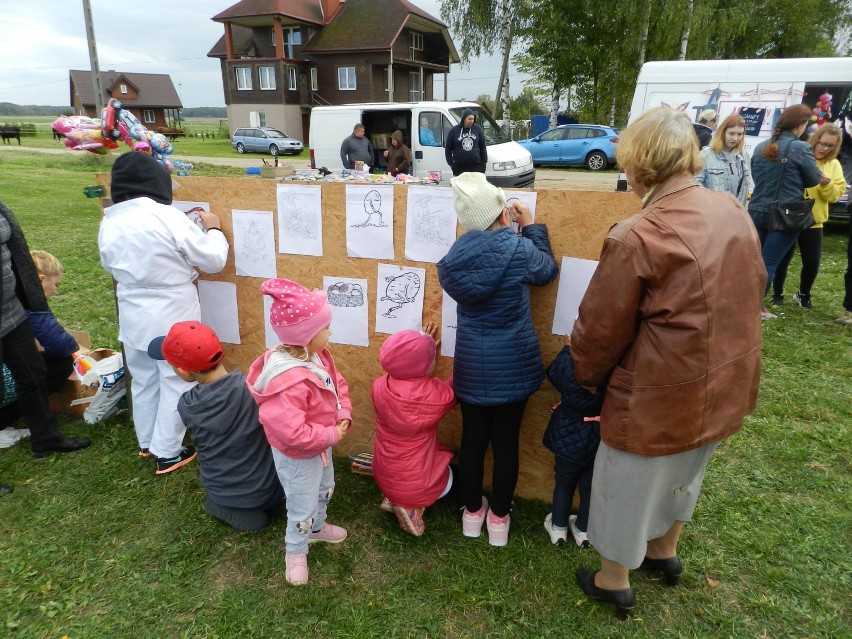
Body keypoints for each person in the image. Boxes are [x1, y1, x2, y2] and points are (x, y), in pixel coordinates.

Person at [570, 107, 765, 619]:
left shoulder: (638, 233)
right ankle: (664, 552)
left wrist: (586, 379)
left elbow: (599, 329)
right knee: (688, 468)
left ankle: (613, 579)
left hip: (660, 388)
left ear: (639, 167)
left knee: (625, 483)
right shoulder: (731, 209)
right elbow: (755, 284)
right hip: (723, 376)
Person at [437, 172, 559, 547]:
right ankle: (499, 521)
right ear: (504, 215)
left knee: (473, 442)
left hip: (473, 366)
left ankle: (471, 514)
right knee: (506, 445)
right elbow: (547, 270)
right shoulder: (518, 248)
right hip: (514, 365)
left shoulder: (455, 258)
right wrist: (533, 227)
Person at [98, 152, 228, 474]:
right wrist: (213, 230)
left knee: (142, 378)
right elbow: (213, 260)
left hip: (132, 311)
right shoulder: (165, 215)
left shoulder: (109, 220)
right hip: (170, 309)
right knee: (176, 378)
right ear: (158, 184)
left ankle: (147, 441)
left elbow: (108, 265)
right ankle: (168, 451)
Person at [247, 278, 351, 586]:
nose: (330, 333)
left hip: (320, 444)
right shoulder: (288, 381)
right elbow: (291, 433)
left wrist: (342, 413)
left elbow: (337, 384)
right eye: (325, 328)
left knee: (325, 487)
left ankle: (317, 529)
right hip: (299, 455)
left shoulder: (318, 356)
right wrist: (331, 436)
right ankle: (295, 551)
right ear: (305, 336)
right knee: (301, 503)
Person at [148, 321, 282, 531]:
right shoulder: (253, 391)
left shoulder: (188, 404)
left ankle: (218, 507)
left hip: (226, 494)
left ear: (183, 371)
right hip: (272, 489)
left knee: (254, 521)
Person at [0, 200, 90, 457]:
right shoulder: (35, 308)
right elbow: (60, 343)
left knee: (33, 372)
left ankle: (46, 439)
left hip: (10, 312)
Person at [371, 324, 456, 537]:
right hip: (417, 484)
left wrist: (420, 350)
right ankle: (411, 509)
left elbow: (410, 379)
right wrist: (459, 367)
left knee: (403, 472)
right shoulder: (434, 397)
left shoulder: (379, 386)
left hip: (384, 474)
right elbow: (452, 394)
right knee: (451, 478)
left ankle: (393, 499)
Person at [748, 103, 822, 321]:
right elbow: (812, 180)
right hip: (785, 215)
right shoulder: (800, 148)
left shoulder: (761, 146)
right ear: (800, 125)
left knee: (755, 262)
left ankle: (743, 302)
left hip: (756, 211)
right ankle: (755, 309)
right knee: (768, 263)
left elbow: (756, 174)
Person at [0, 250, 81, 431]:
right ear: (41, 280)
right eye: (56, 284)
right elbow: (60, 346)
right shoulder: (30, 304)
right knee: (60, 364)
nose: (56, 290)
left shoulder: (9, 293)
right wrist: (74, 347)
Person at [771, 123, 846, 309]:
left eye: (830, 146)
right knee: (782, 258)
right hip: (791, 217)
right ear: (815, 140)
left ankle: (803, 294)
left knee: (812, 261)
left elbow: (835, 195)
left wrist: (825, 185)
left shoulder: (833, 164)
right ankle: (777, 293)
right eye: (822, 143)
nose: (824, 148)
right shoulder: (801, 156)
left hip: (814, 221)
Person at [542, 335, 603, 549]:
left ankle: (558, 528)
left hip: (567, 434)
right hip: (597, 434)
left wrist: (568, 349)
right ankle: (583, 531)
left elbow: (553, 374)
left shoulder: (570, 362)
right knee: (589, 486)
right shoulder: (611, 367)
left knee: (564, 483)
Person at [695, 114, 750, 206]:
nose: (735, 138)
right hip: (712, 212)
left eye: (740, 134)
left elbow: (744, 188)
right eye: (731, 133)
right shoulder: (706, 154)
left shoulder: (744, 156)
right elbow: (695, 184)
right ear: (722, 132)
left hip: (736, 213)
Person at [444, 108, 487, 176]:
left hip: (476, 167)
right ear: (464, 118)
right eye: (469, 119)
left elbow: (482, 147)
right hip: (460, 167)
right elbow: (448, 149)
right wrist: (452, 164)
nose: (471, 121)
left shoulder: (478, 129)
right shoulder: (454, 131)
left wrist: (483, 165)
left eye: (473, 119)